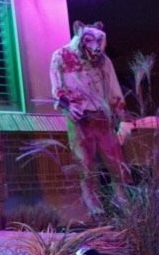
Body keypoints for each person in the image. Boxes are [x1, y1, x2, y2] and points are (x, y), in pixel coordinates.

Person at [49, 21, 130, 215]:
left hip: (102, 117)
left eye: (98, 41)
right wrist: (67, 106)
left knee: (116, 162)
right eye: (89, 40)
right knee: (85, 164)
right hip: (79, 118)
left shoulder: (104, 61)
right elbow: (57, 86)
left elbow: (113, 88)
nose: (95, 45)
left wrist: (120, 114)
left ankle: (123, 202)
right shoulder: (61, 56)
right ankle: (93, 208)